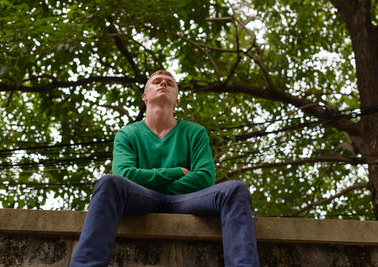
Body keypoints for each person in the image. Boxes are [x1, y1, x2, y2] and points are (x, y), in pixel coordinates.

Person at [70, 70, 260, 267]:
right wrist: (177, 171)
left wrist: (151, 183)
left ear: (176, 100)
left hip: (186, 200)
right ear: (144, 96)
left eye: (169, 83)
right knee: (108, 182)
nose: (163, 84)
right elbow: (124, 175)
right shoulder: (127, 134)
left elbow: (204, 178)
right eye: (156, 82)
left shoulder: (194, 132)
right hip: (142, 198)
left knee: (235, 189)